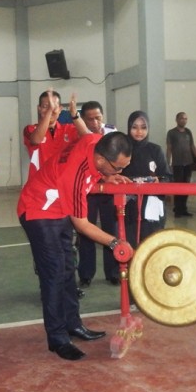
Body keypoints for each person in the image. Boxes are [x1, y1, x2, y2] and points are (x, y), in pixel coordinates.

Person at [18, 131, 133, 360]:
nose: (120, 172)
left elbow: (88, 134)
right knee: (54, 274)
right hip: (38, 210)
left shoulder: (94, 141)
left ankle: (73, 324)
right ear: (101, 160)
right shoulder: (76, 174)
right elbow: (82, 224)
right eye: (117, 168)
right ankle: (58, 338)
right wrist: (115, 243)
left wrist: (105, 177)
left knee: (68, 269)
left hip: (59, 209)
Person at [76, 101, 119, 287]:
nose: (95, 122)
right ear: (83, 120)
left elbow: (117, 161)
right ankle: (86, 274)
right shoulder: (79, 135)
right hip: (87, 190)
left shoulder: (112, 132)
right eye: (90, 119)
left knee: (111, 230)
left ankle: (113, 272)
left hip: (108, 190)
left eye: (98, 118)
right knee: (87, 231)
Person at [121, 111, 170, 247]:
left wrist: (158, 181)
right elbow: (112, 173)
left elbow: (167, 177)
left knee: (151, 247)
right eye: (134, 127)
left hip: (151, 209)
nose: (139, 132)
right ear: (129, 127)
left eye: (143, 127)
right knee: (128, 247)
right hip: (127, 208)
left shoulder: (155, 150)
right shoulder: (122, 150)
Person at [23, 89, 90, 182]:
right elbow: (36, 140)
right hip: (39, 185)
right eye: (46, 106)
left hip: (63, 183)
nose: (51, 110)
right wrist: (50, 110)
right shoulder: (30, 129)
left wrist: (74, 114)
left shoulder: (68, 129)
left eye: (54, 106)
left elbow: (88, 138)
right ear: (39, 108)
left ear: (60, 109)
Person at [166, 111, 196, 218]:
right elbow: (169, 148)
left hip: (188, 163)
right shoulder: (171, 133)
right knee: (178, 187)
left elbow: (192, 146)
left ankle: (184, 209)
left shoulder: (188, 132)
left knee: (186, 187)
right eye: (182, 118)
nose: (184, 120)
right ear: (177, 120)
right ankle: (177, 210)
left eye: (186, 118)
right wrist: (168, 163)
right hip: (177, 164)